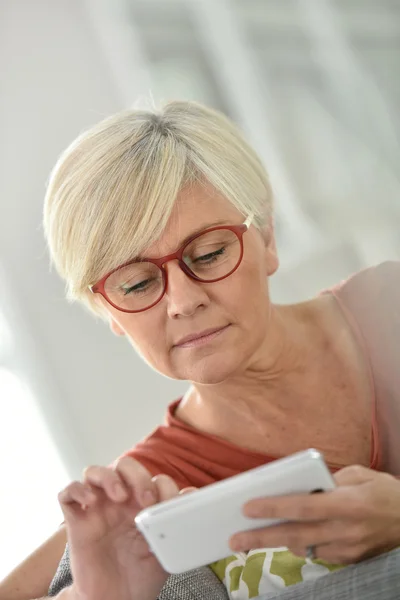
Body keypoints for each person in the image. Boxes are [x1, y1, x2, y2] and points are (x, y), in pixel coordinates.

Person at [1, 100, 400, 600]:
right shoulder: (145, 492)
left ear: (268, 238)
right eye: (138, 283)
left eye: (209, 253)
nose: (184, 303)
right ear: (108, 311)